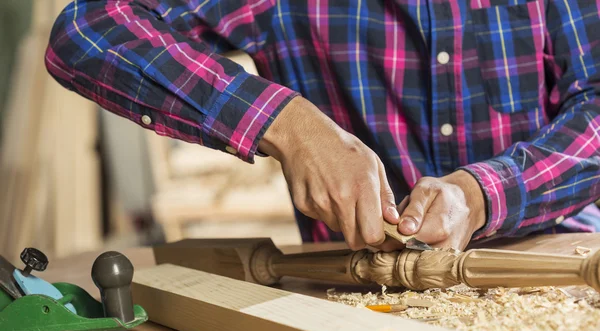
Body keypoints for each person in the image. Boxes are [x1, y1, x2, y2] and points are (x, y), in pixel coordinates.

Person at [45, 0, 600, 252]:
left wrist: (483, 193)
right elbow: (90, 30)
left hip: (552, 263)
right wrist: (286, 123)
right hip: (359, 293)